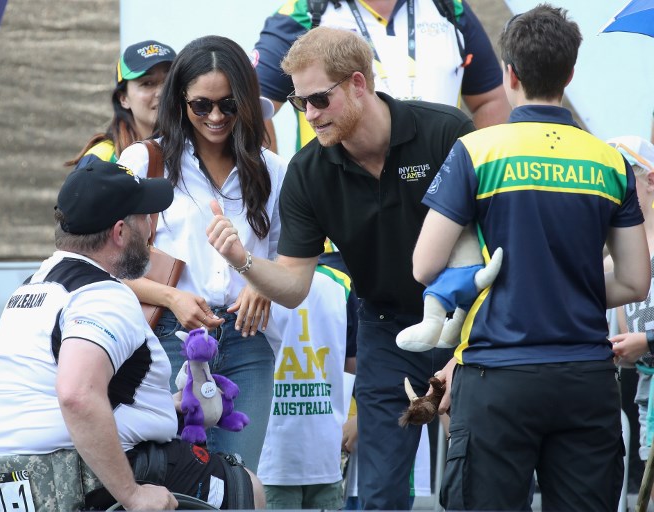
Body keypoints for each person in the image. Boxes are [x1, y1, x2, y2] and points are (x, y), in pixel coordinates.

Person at [207, 26, 474, 510]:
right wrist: (243, 261)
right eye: (298, 102)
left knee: (476, 488)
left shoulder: (446, 132)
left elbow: (499, 247)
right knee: (378, 494)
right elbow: (291, 284)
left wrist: (468, 350)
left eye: (318, 100)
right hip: (387, 331)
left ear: (358, 83)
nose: (309, 115)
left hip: (470, 323)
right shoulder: (309, 171)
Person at [411, 6, 651, 510]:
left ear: (510, 73)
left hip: (496, 379)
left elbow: (425, 266)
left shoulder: (476, 151)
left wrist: (514, 282)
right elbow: (634, 281)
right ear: (570, 73)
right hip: (585, 377)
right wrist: (571, 285)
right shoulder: (610, 161)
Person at [0, 161, 263, 511]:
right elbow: (76, 394)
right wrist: (133, 495)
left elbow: (51, 397)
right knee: (248, 489)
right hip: (67, 475)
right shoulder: (102, 294)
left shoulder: (33, 286)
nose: (152, 230)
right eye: (146, 218)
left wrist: (169, 408)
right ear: (120, 232)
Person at [116, 35, 287, 474]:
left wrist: (259, 281)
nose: (215, 116)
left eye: (228, 105)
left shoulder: (272, 170)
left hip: (247, 341)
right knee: (174, 482)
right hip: (168, 340)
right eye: (201, 105)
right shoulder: (144, 160)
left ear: (246, 103)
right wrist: (172, 298)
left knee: (237, 481)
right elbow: (104, 264)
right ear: (180, 102)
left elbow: (293, 260)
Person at [252, 0, 510, 153]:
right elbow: (250, 107)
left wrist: (476, 173)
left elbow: (492, 100)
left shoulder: (448, 7)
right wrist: (273, 184)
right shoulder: (303, 13)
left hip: (443, 203)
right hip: (341, 216)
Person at [257, 264, 356, 509]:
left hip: (272, 455)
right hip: (317, 453)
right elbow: (355, 364)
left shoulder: (250, 278)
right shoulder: (340, 282)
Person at [605, 136, 654, 506]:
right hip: (644, 384)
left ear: (650, 180)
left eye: (623, 178)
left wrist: (647, 342)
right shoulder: (615, 252)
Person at [64, 40, 176, 169]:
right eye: (148, 83)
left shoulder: (196, 150)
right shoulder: (101, 159)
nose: (161, 92)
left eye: (169, 82)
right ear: (123, 98)